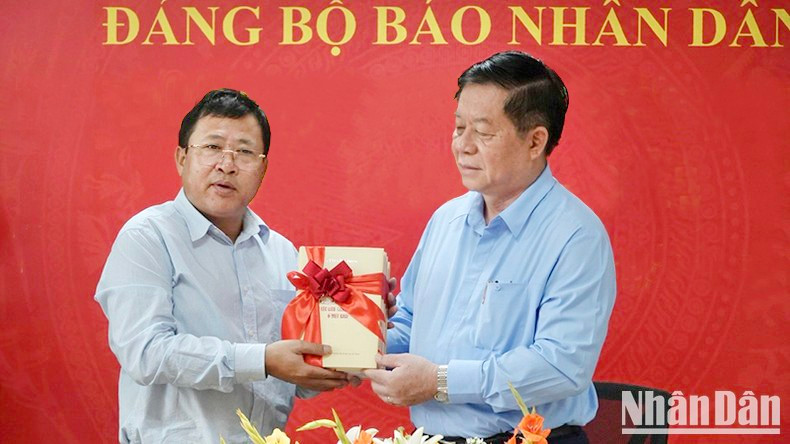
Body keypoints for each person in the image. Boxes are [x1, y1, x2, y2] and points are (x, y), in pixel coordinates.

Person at [364, 52, 616, 444]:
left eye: (482, 132)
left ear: (535, 141)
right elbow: (412, 324)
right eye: (458, 127)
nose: (462, 146)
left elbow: (562, 364)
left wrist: (440, 382)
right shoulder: (445, 221)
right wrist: (357, 345)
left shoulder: (576, 236)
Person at [95, 89, 350, 443]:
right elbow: (146, 353)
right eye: (212, 147)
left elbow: (294, 377)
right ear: (182, 157)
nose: (227, 164)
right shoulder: (148, 237)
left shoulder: (281, 253)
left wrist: (355, 338)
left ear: (262, 168)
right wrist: (262, 360)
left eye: (244, 152)